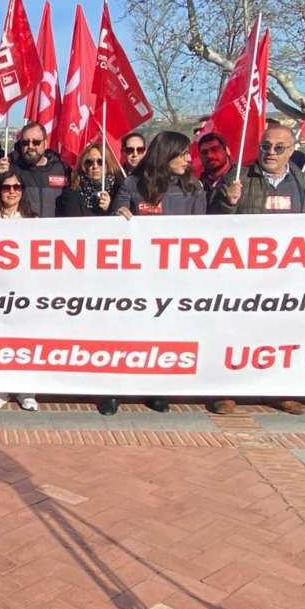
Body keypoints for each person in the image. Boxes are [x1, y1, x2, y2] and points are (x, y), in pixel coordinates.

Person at [212, 125, 305, 415]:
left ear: (291, 151)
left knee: (278, 333)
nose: (270, 152)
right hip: (241, 272)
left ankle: (276, 391)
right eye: (266, 146)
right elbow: (211, 221)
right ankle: (225, 391)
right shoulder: (237, 177)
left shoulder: (303, 182)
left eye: (279, 148)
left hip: (285, 274)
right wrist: (228, 202)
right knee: (235, 332)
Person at [109, 131, 205, 416]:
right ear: (166, 154)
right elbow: (114, 221)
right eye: (183, 153)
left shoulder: (194, 188)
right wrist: (119, 216)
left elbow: (203, 230)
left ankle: (157, 389)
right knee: (128, 333)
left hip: (174, 277)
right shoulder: (132, 184)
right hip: (136, 276)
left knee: (164, 334)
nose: (188, 159)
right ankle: (115, 389)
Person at [0, 170, 39, 411]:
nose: (12, 192)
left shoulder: (33, 221)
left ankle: (27, 391)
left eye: (17, 187)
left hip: (26, 292)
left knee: (25, 341)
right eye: (7, 188)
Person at [0, 122, 70, 217]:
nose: (30, 146)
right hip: (25, 229)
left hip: (55, 230)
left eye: (36, 142)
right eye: (25, 142)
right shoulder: (12, 169)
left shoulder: (62, 168)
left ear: (45, 143)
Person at [56, 142, 116, 217]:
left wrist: (109, 208)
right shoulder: (72, 192)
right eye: (89, 162)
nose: (95, 166)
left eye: (100, 162)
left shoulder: (117, 189)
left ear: (107, 164)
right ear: (83, 165)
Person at [196, 132, 233, 210]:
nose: (209, 155)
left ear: (227, 150)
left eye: (215, 149)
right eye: (204, 152)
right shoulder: (196, 187)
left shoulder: (242, 180)